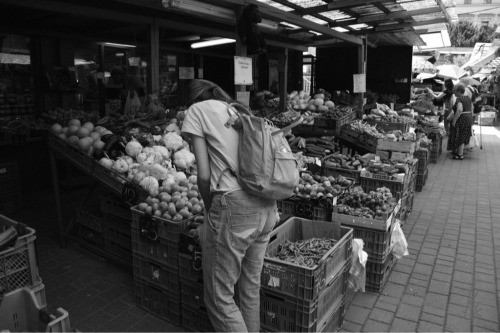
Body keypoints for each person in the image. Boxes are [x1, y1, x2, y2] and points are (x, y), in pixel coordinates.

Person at [180, 79, 278, 332]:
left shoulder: (196, 111)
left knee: (219, 297)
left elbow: (203, 175)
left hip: (235, 207)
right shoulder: (236, 109)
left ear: (192, 99)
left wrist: (209, 207)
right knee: (249, 288)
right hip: (267, 205)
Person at [448, 83, 473, 160]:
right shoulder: (468, 98)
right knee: (462, 136)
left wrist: (454, 120)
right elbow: (471, 108)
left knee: (459, 136)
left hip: (462, 119)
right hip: (468, 118)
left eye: (454, 91)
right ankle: (459, 153)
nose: (453, 93)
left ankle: (460, 154)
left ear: (459, 91)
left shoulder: (459, 99)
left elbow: (459, 110)